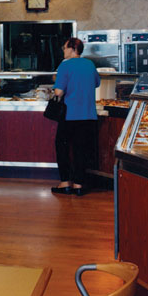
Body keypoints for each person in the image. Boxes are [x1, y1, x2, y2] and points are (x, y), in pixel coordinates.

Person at [51, 37, 100, 196]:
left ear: (72, 49)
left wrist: (56, 83)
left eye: (64, 48)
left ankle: (65, 183)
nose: (63, 51)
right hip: (88, 114)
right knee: (81, 150)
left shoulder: (65, 66)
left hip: (69, 114)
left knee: (62, 147)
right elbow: (96, 83)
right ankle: (78, 185)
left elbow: (59, 92)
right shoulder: (90, 64)